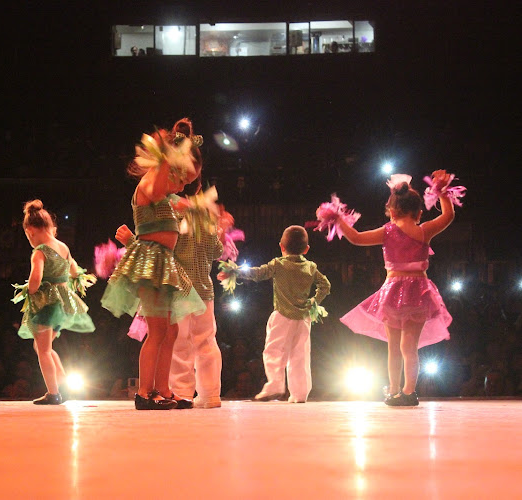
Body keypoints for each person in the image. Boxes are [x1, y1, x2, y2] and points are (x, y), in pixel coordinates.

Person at [116, 120, 224, 409]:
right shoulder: (151, 183)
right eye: (183, 178)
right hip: (151, 263)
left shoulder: (163, 190)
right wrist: (170, 153)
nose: (184, 186)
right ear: (172, 166)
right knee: (157, 331)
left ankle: (164, 389)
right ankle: (144, 393)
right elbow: (163, 183)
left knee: (171, 331)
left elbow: (177, 199)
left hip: (163, 264)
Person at [335, 171, 458, 406]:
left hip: (392, 291)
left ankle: (394, 391)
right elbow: (449, 215)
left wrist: (338, 218)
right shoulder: (424, 230)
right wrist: (442, 191)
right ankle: (408, 391)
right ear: (419, 212)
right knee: (409, 347)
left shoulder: (387, 231)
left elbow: (357, 238)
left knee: (394, 346)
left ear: (391, 211)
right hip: (418, 291)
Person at [219, 225, 330, 403]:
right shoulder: (311, 267)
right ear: (306, 249)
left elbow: (258, 273)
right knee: (300, 355)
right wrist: (314, 302)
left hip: (283, 316)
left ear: (281, 247)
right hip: (303, 318)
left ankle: (276, 384)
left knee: (274, 351)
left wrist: (236, 271)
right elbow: (325, 286)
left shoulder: (278, 264)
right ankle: (300, 393)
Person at [14, 200, 95, 405]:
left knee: (43, 350)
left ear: (31, 230)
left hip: (46, 305)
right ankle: (61, 385)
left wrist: (30, 291)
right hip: (62, 304)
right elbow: (75, 272)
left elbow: (36, 279)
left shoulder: (40, 251)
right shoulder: (63, 247)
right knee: (44, 347)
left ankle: (53, 393)